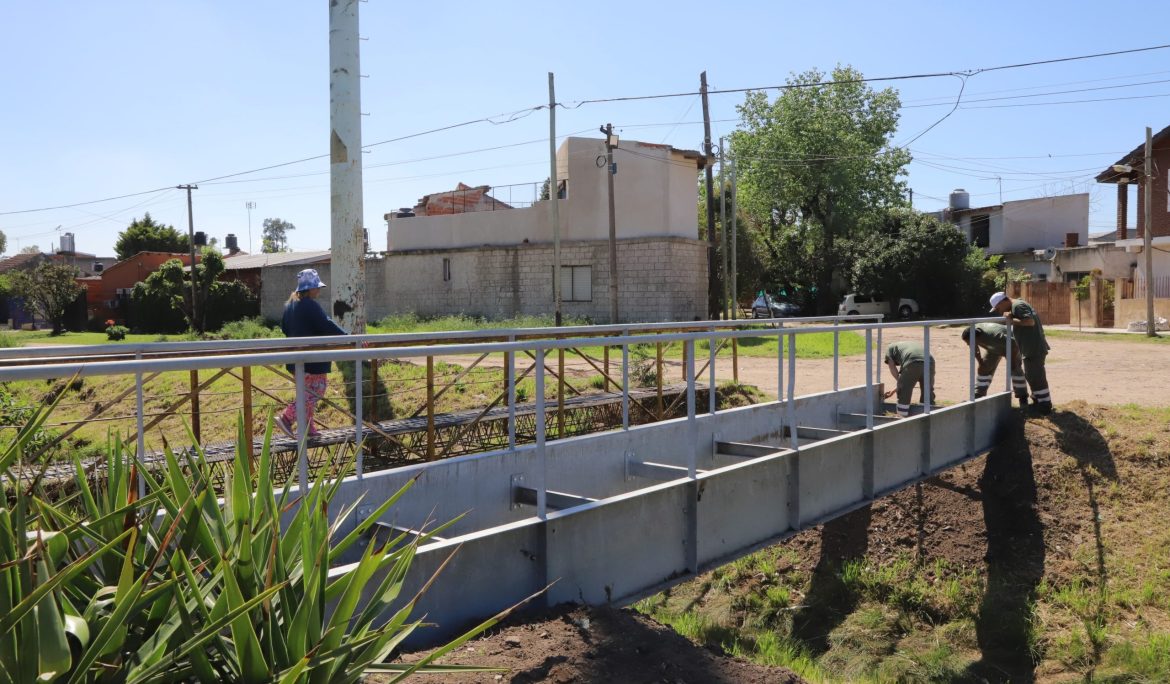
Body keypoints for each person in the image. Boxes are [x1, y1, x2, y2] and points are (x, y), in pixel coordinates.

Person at [276, 269, 347, 438]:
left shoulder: (290, 305)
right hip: (312, 361)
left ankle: (308, 428)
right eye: (317, 287)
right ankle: (287, 417)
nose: (319, 290)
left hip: (295, 360)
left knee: (305, 394)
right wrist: (346, 337)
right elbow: (326, 324)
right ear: (310, 289)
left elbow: (285, 328)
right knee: (316, 391)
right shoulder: (309, 304)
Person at [989, 291, 1052, 414]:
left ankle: (1044, 406)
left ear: (1003, 301)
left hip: (1033, 348)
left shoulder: (1018, 305)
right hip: (1031, 347)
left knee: (1036, 377)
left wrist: (1011, 320)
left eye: (998, 307)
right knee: (1032, 375)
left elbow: (1030, 322)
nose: (998, 310)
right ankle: (1038, 401)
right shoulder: (1018, 305)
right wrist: (1012, 317)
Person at [960, 322, 1028, 404]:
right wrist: (981, 363)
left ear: (976, 338)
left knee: (1015, 369)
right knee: (985, 368)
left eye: (969, 342)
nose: (968, 344)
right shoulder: (972, 333)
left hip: (1012, 345)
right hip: (994, 347)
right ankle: (978, 395)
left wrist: (1012, 362)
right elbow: (975, 349)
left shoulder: (995, 336)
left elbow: (1014, 345)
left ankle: (1023, 398)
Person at [883, 341, 935, 418]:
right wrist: (894, 390)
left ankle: (901, 416)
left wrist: (900, 383)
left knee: (905, 391)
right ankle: (929, 414)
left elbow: (892, 367)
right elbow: (906, 378)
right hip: (930, 360)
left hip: (912, 361)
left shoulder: (889, 349)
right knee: (927, 391)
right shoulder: (906, 347)